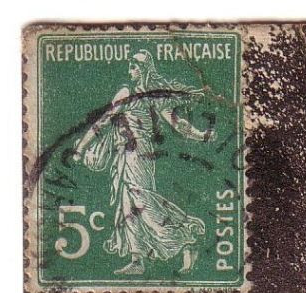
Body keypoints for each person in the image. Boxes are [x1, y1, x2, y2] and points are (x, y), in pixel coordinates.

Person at [72, 50, 212, 276]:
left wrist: (200, 135)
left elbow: (178, 124)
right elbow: (104, 122)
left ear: (145, 68)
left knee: (142, 201)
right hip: (127, 153)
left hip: (138, 154)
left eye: (135, 66)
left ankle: (185, 238)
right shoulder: (134, 94)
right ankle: (137, 259)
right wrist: (81, 147)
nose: (130, 70)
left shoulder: (146, 96)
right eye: (130, 66)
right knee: (128, 205)